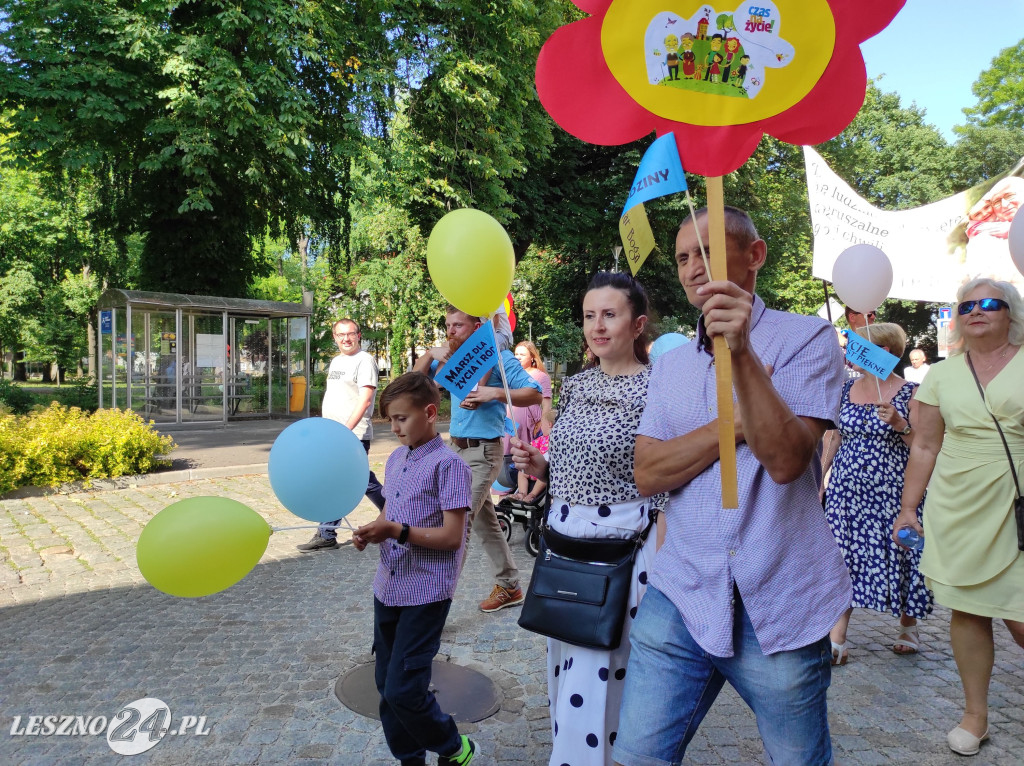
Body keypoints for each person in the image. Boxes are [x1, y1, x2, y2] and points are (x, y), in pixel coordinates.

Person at [613, 206, 852, 765]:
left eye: (708, 251)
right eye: (683, 257)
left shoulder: (806, 339)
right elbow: (647, 473)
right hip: (681, 594)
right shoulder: (671, 367)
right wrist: (737, 424)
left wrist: (742, 352)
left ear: (754, 255)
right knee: (637, 758)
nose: (695, 267)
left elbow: (788, 459)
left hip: (780, 600)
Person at [511, 271, 666, 766]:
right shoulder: (574, 386)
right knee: (567, 669)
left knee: (602, 673)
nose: (597, 326)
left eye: (610, 314)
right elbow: (571, 463)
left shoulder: (660, 389)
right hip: (565, 550)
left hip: (620, 554)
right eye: (589, 316)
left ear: (637, 324)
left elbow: (666, 481)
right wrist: (541, 466)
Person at [893, 277, 1024, 757]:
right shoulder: (942, 376)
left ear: (1010, 312)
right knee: (968, 610)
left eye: (989, 303)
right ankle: (975, 714)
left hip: (1017, 504)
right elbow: (925, 445)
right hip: (959, 504)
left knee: (1021, 616)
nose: (976, 311)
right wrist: (908, 508)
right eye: (966, 305)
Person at [352, 372, 476, 766]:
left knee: (406, 688)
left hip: (426, 593)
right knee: (385, 687)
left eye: (402, 418)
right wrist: (375, 532)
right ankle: (410, 758)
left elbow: (453, 537)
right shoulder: (395, 458)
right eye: (389, 419)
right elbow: (389, 512)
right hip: (387, 586)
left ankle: (455, 747)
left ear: (429, 413)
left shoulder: (449, 466)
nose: (394, 427)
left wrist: (396, 531)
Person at [414, 306, 542, 612]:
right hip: (455, 451)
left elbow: (534, 392)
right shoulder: (453, 358)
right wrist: (431, 354)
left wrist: (492, 393)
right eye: (447, 325)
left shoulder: (497, 356)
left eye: (458, 325)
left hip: (484, 453)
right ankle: (510, 586)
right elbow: (412, 385)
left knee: (457, 526)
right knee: (486, 524)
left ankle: (431, 609)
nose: (451, 331)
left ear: (477, 326)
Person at [820, 322, 933, 666]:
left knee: (901, 553)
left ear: (884, 352)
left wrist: (900, 424)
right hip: (847, 490)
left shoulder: (910, 392)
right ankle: (837, 634)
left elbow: (923, 446)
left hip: (893, 490)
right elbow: (833, 437)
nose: (853, 352)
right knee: (842, 555)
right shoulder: (844, 389)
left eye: (861, 346)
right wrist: (821, 479)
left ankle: (908, 624)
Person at [298, 318, 386, 552]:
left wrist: (345, 431)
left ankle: (327, 533)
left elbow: (365, 399)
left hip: (352, 434)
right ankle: (397, 514)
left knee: (341, 482)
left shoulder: (364, 361)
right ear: (335, 337)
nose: (346, 338)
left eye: (350, 334)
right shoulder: (336, 361)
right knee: (363, 481)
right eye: (341, 335)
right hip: (333, 434)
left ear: (359, 335)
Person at [505, 340, 552, 503]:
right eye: (515, 354)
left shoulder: (540, 376)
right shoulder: (511, 373)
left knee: (527, 455)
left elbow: (546, 402)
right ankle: (511, 490)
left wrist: (545, 424)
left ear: (532, 357)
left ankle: (530, 493)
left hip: (530, 424)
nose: (517, 357)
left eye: (522, 354)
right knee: (508, 455)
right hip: (509, 422)